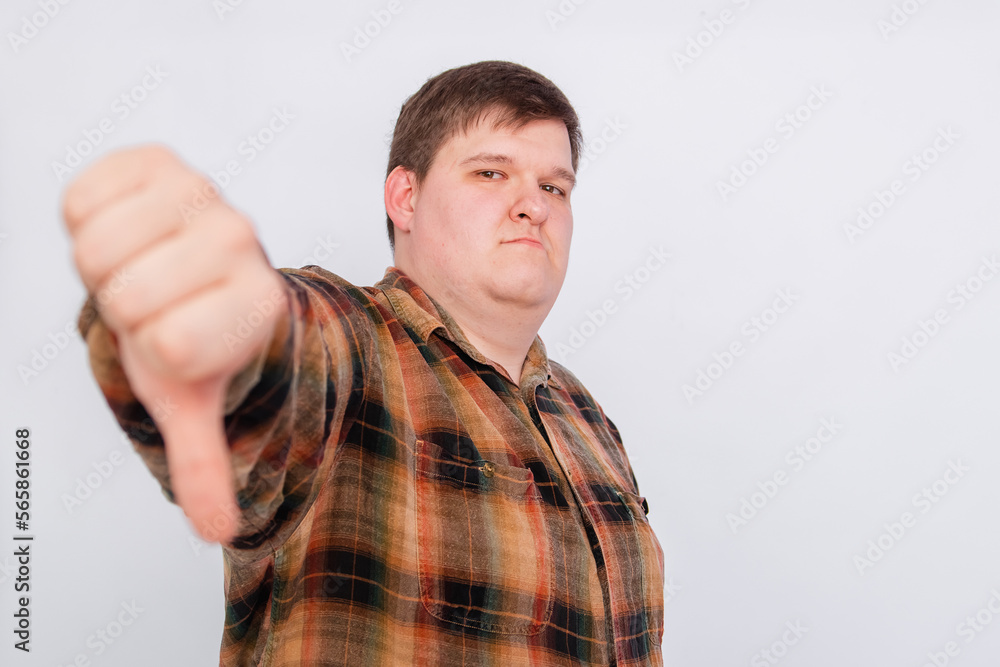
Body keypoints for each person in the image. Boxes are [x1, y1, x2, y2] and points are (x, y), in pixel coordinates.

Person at [64, 60, 665, 666]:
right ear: (406, 198)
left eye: (555, 187)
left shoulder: (587, 418)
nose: (533, 205)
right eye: (491, 172)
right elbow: (278, 354)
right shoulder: (353, 342)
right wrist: (204, 315)